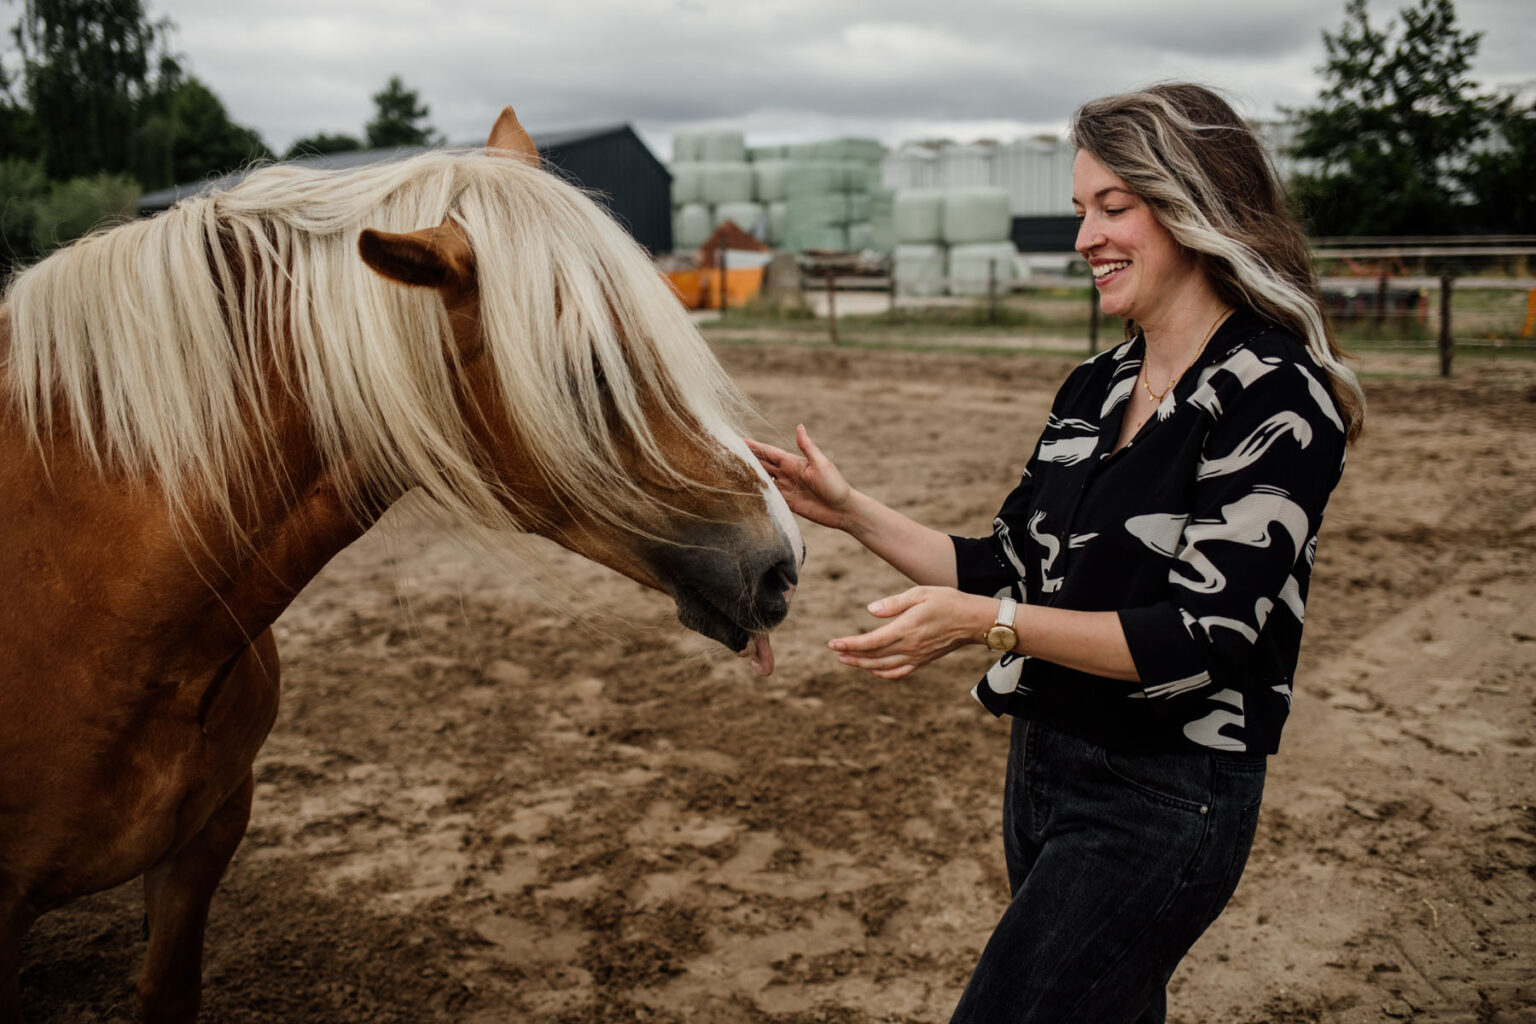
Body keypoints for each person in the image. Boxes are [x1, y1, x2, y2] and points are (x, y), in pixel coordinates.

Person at [747, 83, 1364, 1024]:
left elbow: (1199, 638)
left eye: (1114, 208)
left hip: (1166, 795)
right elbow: (1003, 567)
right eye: (1083, 211)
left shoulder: (1274, 395)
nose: (1086, 238)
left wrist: (987, 628)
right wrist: (848, 510)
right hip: (1045, 766)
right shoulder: (1096, 383)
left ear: (1195, 206)